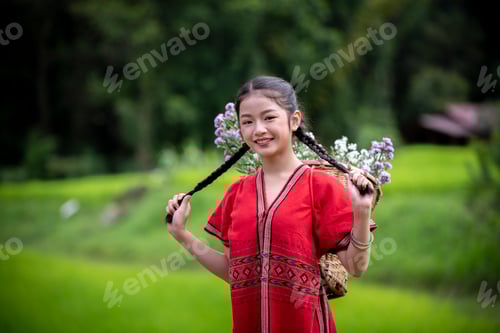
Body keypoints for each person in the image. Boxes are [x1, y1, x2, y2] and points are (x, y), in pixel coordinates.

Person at [166, 76, 377, 333]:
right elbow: (235, 273)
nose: (258, 130)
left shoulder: (320, 187)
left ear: (294, 120)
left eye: (269, 118)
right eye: (247, 121)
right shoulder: (236, 194)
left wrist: (362, 211)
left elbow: (356, 267)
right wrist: (182, 235)